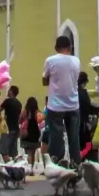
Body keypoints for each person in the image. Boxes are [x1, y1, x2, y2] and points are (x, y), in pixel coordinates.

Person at [42, 35, 81, 164]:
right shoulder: (76, 61)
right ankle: (76, 163)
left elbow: (44, 80)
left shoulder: (50, 61)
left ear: (56, 47)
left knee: (56, 137)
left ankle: (57, 163)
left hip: (56, 106)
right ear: (70, 47)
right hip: (73, 105)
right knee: (74, 137)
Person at [0, 86, 22, 162]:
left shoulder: (7, 101)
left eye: (9, 90)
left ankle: (9, 167)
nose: (7, 92)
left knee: (4, 150)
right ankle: (16, 166)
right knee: (13, 152)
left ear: (11, 91)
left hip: (7, 129)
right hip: (16, 129)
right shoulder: (19, 103)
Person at [19, 96, 42, 165]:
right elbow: (40, 122)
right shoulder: (37, 112)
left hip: (27, 132)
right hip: (35, 133)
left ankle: (29, 167)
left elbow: (19, 121)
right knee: (33, 153)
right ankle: (32, 167)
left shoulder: (25, 111)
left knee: (28, 153)